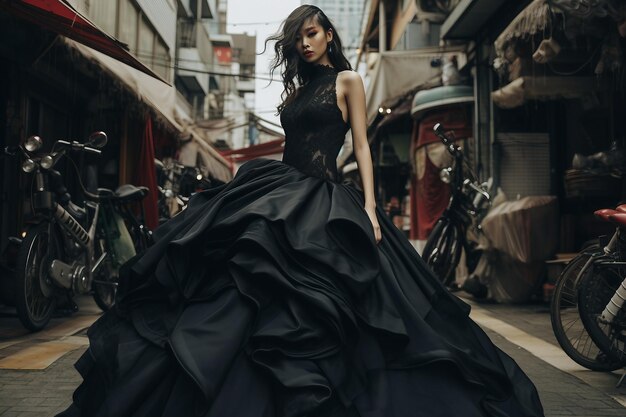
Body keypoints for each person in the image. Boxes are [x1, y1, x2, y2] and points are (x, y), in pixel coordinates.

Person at [57, 5, 544, 417]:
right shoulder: (293, 92)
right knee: (245, 283)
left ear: (328, 34)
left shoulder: (349, 80)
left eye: (311, 33)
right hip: (280, 188)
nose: (305, 44)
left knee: (332, 303)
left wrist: (372, 209)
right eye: (298, 39)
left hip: (326, 196)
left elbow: (362, 146)